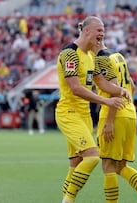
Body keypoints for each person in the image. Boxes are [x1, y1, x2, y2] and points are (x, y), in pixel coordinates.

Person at [55, 16, 130, 203]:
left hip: (84, 115)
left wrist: (120, 90)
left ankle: (65, 199)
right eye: (99, 30)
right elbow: (76, 88)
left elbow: (102, 82)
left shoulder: (91, 56)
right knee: (92, 157)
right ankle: (67, 200)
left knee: (76, 163)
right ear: (86, 30)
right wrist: (107, 102)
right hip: (69, 113)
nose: (102, 33)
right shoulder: (69, 53)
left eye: (103, 30)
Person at [93, 41, 137, 202]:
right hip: (129, 113)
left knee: (108, 166)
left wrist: (109, 121)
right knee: (121, 166)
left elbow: (115, 90)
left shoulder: (101, 59)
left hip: (115, 114)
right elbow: (132, 85)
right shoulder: (118, 56)